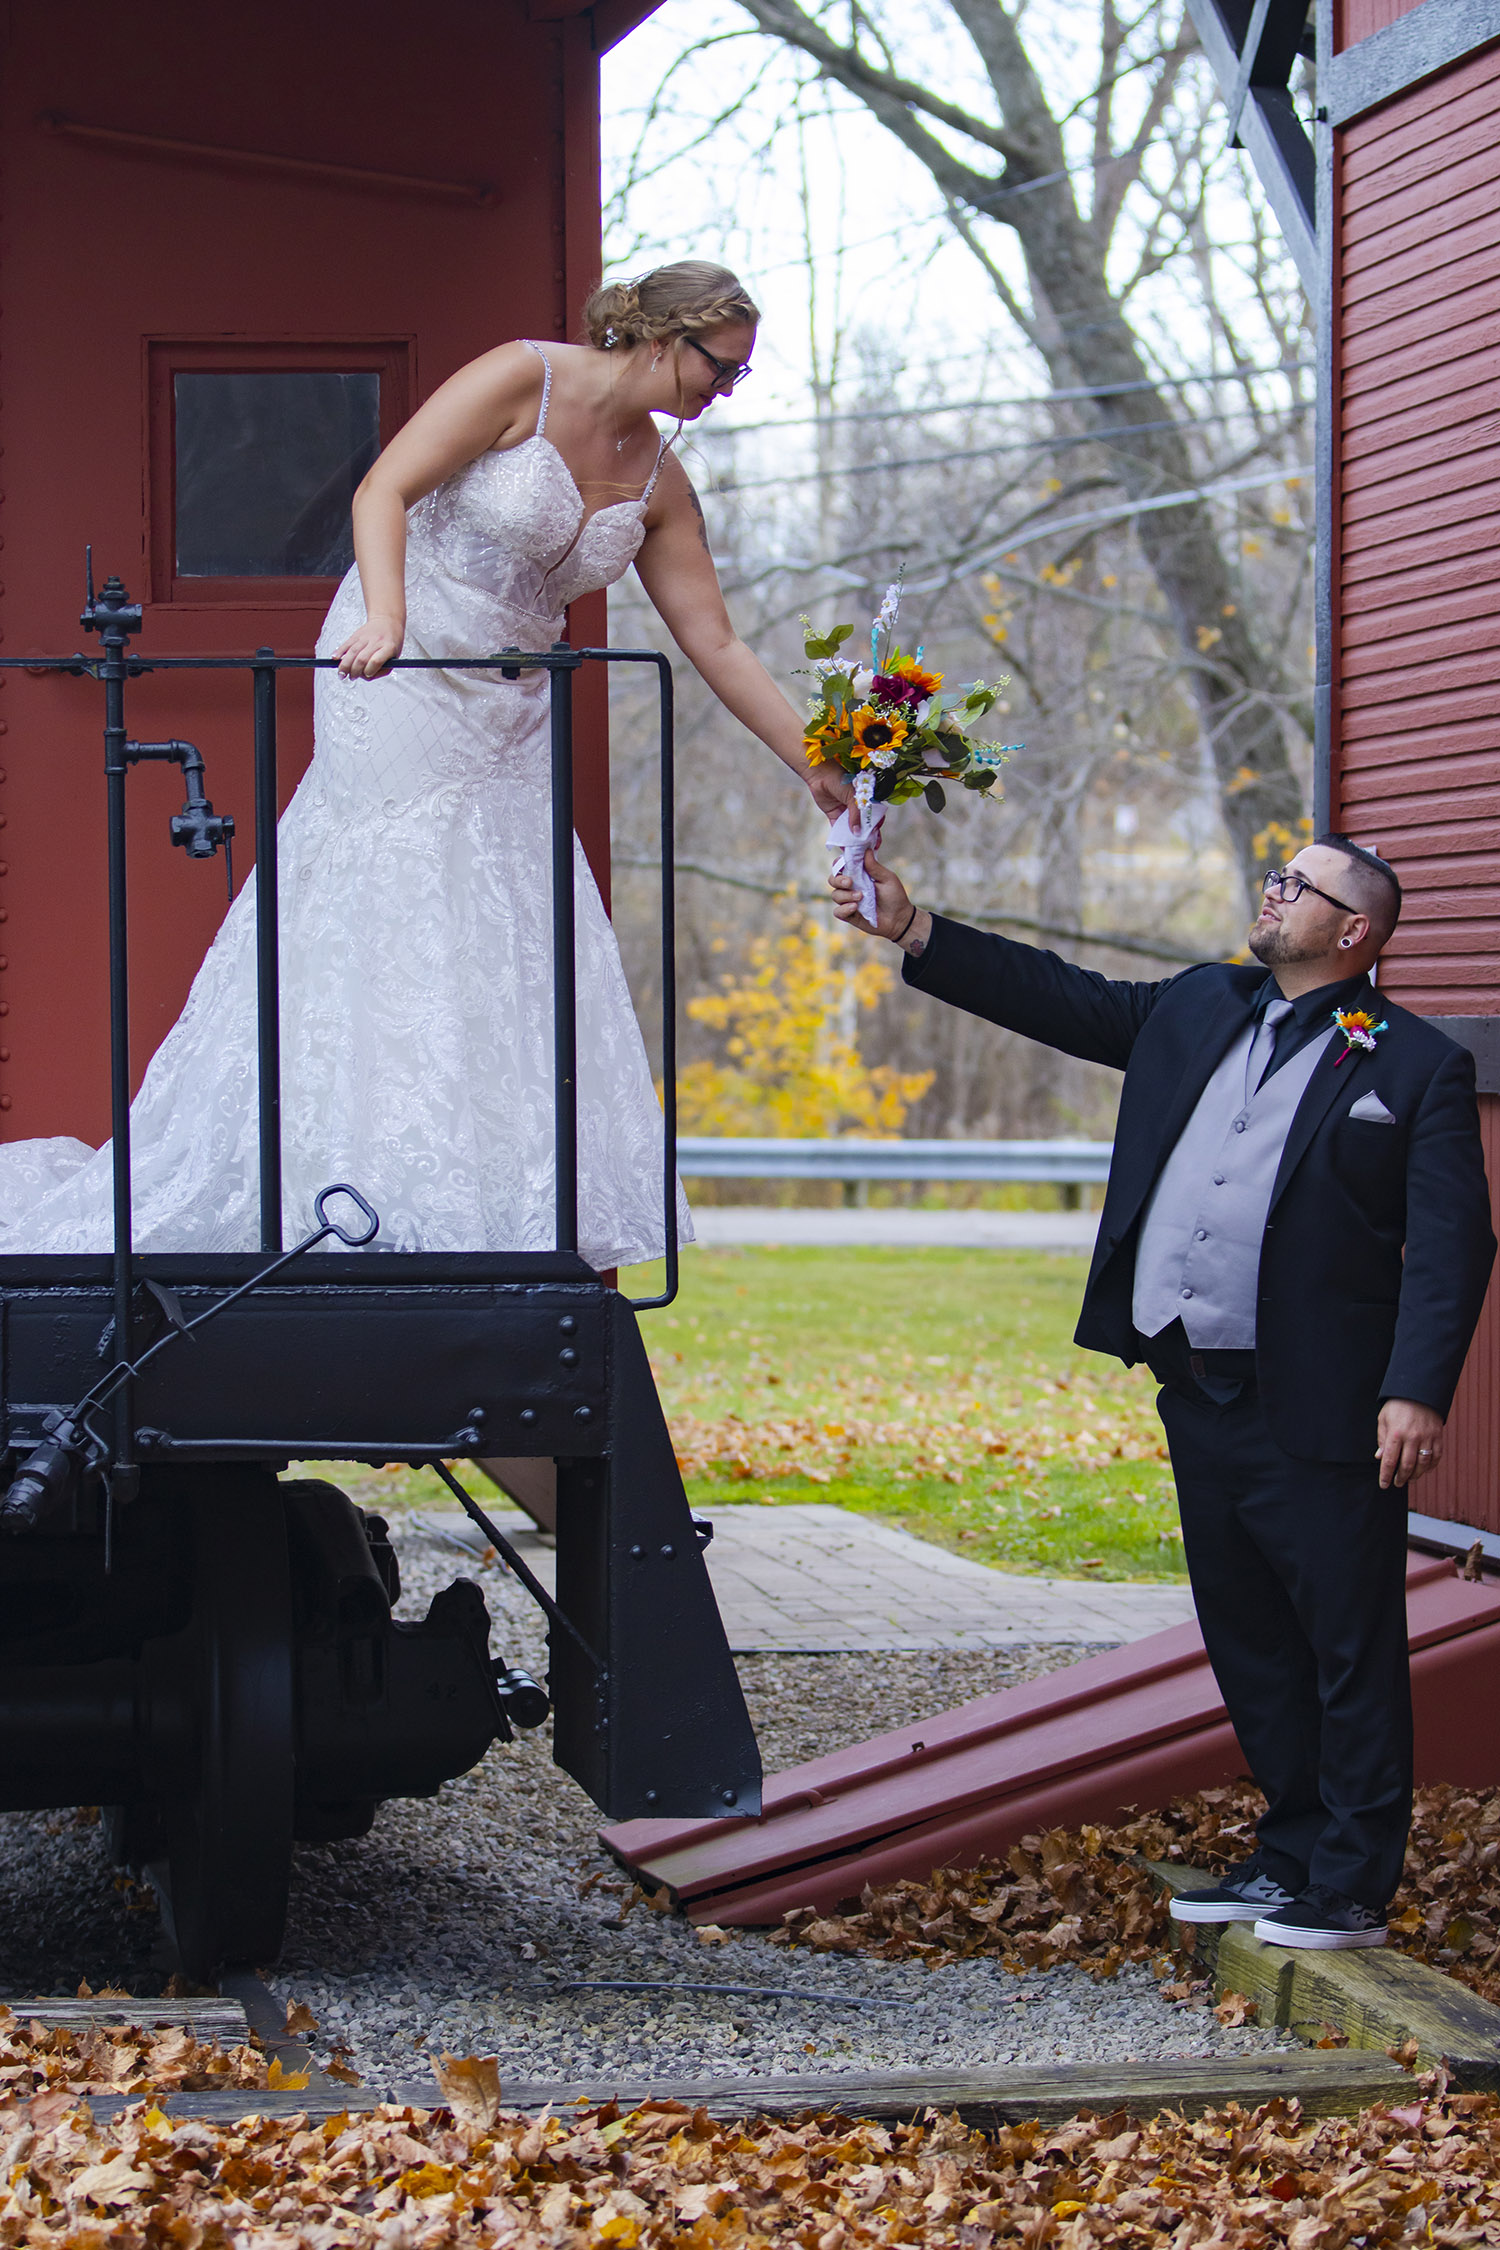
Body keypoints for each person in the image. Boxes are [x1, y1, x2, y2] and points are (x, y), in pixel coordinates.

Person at [0, 261, 845, 1264]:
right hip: (393, 661)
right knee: (397, 895)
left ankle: (474, 1209)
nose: (727, 390)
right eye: (724, 367)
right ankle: (349, 1190)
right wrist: (391, 615)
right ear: (665, 338)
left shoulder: (660, 480)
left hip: (508, 701)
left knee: (501, 920)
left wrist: (813, 764)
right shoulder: (519, 379)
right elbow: (384, 487)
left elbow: (717, 642)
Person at [832, 835, 1495, 1950]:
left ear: (1352, 932)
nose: (1272, 893)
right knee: (1249, 1637)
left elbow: (1450, 1246)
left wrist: (1416, 1392)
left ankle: (1347, 1884)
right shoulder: (1197, 1007)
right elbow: (1061, 997)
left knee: (1347, 1644)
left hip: (1330, 1407)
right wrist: (914, 928)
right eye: (1277, 875)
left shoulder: (1412, 1066)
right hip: (1200, 1389)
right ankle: (1288, 1852)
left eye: (1298, 887)